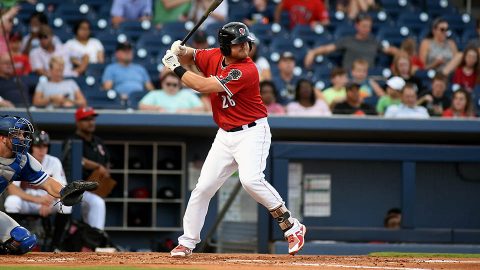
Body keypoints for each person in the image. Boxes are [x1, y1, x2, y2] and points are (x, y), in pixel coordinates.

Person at [162, 22, 306, 257]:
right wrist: (180, 50)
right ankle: (187, 242)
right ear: (226, 47)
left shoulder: (247, 70)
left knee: (250, 180)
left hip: (252, 132)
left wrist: (175, 67)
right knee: (203, 188)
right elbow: (193, 55)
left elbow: (203, 85)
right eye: (239, 44)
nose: (245, 47)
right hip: (225, 135)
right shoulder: (214, 56)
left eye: (247, 42)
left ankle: (292, 226)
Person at [0, 115, 94, 255]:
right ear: (2, 138)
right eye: (16, 134)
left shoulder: (22, 160)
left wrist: (64, 192)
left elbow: (47, 182)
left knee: (24, 241)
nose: (22, 138)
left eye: (22, 134)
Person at [4, 130, 72, 251]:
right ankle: (14, 240)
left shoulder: (54, 161)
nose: (42, 150)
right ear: (32, 147)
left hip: (49, 202)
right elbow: (13, 189)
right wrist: (38, 201)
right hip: (29, 201)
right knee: (12, 201)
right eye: (38, 146)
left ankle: (55, 246)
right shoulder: (22, 160)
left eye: (45, 146)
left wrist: (48, 202)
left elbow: (61, 188)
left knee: (66, 205)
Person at [62, 107, 107, 230]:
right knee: (97, 203)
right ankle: (95, 239)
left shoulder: (98, 142)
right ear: (78, 122)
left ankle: (90, 243)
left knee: (94, 208)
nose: (91, 122)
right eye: (86, 119)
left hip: (95, 188)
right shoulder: (71, 140)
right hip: (76, 188)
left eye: (92, 119)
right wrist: (97, 166)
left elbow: (106, 164)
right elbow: (77, 159)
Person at [304, 13, 397, 70]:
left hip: (367, 78)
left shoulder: (374, 41)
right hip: (349, 76)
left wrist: (401, 54)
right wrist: (313, 52)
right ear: (357, 26)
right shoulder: (348, 40)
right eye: (364, 26)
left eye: (369, 26)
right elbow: (328, 48)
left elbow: (389, 50)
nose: (367, 29)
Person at [138, 71, 204, 113]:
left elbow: (201, 108)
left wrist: (188, 111)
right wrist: (156, 108)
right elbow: (141, 106)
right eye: (168, 84)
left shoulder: (188, 95)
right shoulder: (155, 94)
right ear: (162, 83)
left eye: (174, 85)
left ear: (179, 85)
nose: (171, 87)